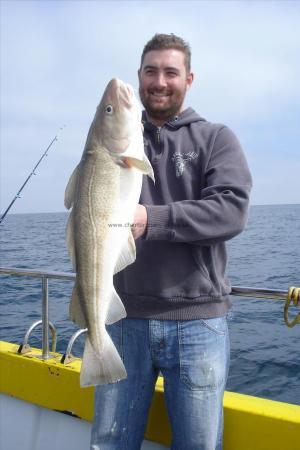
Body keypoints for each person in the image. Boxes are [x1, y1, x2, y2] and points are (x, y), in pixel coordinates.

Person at [90, 33, 252, 450]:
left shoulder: (216, 138)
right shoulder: (115, 142)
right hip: (123, 320)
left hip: (198, 323)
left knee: (198, 444)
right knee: (109, 443)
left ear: (189, 79)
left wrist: (152, 218)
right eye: (150, 71)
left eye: (170, 72)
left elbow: (231, 211)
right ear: (139, 78)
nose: (159, 81)